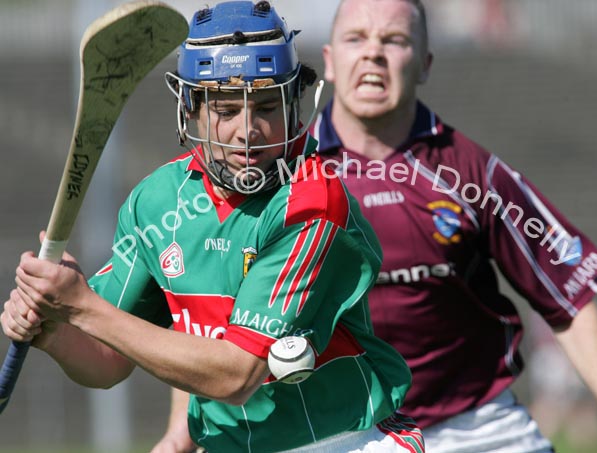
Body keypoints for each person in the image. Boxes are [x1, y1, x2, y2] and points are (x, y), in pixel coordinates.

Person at [155, 0, 597, 451]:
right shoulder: (268, 171)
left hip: (473, 429)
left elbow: (572, 302)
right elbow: (202, 307)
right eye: (356, 38)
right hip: (342, 435)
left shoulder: (474, 174)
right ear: (329, 59)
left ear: (425, 64)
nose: (373, 54)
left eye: (394, 40)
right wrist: (179, 436)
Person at [0, 2, 426, 452]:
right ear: (191, 110)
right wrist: (56, 328)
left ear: (294, 102)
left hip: (343, 441)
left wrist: (82, 304)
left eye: (266, 105)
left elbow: (236, 373)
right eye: (226, 110)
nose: (249, 130)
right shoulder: (156, 202)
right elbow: (106, 362)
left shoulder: (310, 201)